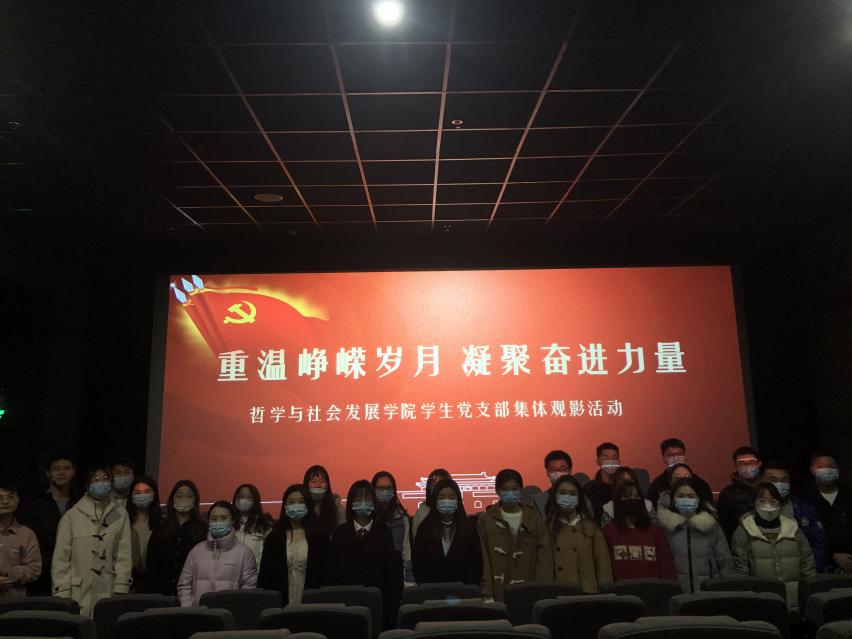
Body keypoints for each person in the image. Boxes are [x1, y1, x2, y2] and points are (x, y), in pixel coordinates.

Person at [52, 464, 132, 617]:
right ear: (87, 485)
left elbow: (124, 555)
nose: (101, 482)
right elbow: (61, 559)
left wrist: (121, 587)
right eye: (96, 479)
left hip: (109, 591)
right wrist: (62, 593)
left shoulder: (121, 515)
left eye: (105, 478)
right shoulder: (71, 516)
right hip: (77, 592)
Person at [328, 480, 402, 629]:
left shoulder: (384, 532)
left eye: (367, 498)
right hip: (346, 605)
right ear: (351, 503)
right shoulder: (340, 533)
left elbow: (392, 575)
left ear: (374, 502)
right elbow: (332, 572)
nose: (363, 502)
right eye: (358, 498)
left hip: (378, 607)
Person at [731, 482, 816, 608]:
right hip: (761, 603)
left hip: (796, 601)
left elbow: (808, 566)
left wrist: (810, 597)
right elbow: (741, 574)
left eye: (773, 501)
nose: (768, 505)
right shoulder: (744, 532)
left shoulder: (794, 530)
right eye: (761, 501)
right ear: (753, 503)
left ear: (780, 503)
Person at [478, 469, 553, 602]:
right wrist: (487, 591)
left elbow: (544, 557)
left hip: (529, 588)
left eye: (514, 489)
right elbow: (484, 559)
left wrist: (541, 588)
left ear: (521, 490)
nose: (510, 493)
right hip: (498, 589)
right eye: (505, 489)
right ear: (497, 491)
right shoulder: (486, 520)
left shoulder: (534, 518)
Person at [18, 453, 79, 595]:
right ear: (48, 473)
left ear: (74, 472)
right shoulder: (34, 504)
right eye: (56, 469)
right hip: (42, 575)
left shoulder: (81, 502)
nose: (62, 472)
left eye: (66, 468)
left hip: (75, 571)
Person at [656, 478, 732, 593]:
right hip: (675, 594)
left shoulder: (712, 527)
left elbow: (725, 562)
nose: (686, 499)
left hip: (709, 593)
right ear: (673, 499)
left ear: (698, 499)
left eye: (690, 496)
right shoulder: (664, 528)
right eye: (680, 496)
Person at [259, 484, 329, 605]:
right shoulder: (274, 538)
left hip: (313, 603)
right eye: (291, 502)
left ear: (308, 505)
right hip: (280, 603)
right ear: (285, 506)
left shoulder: (320, 537)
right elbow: (265, 576)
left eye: (301, 502)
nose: (296, 505)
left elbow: (326, 574)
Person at [177, 500, 257, 607]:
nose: (218, 522)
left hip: (230, 615)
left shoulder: (245, 553)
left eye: (224, 518)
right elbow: (184, 585)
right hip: (198, 613)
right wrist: (188, 608)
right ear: (208, 521)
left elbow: (249, 588)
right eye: (214, 519)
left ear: (233, 520)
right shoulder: (196, 551)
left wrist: (235, 612)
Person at [545, 474, 612, 593]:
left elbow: (603, 567)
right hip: (558, 593)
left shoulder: (591, 528)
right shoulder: (547, 528)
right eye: (562, 493)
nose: (567, 497)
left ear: (579, 497)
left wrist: (606, 593)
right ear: (555, 496)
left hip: (588, 593)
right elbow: (544, 568)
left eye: (572, 494)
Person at [602, 480, 676, 581]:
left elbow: (666, 566)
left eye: (636, 496)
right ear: (618, 501)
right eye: (627, 496)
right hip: (619, 589)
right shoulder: (608, 531)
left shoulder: (654, 532)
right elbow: (603, 568)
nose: (633, 499)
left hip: (652, 588)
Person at [761, 460, 828, 572]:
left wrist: (812, 569)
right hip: (766, 573)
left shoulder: (804, 509)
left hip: (802, 572)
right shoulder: (751, 510)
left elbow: (819, 541)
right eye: (773, 480)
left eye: (784, 480)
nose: (779, 484)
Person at [412, 478, 481, 585]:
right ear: (435, 501)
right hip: (431, 591)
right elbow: (418, 565)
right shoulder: (425, 529)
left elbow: (476, 564)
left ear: (458, 500)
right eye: (441, 497)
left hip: (463, 591)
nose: (446, 501)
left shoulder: (469, 528)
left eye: (451, 497)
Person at [144, 480, 207, 596]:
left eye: (189, 496)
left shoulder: (203, 529)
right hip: (162, 592)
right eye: (179, 496)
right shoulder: (161, 527)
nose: (184, 499)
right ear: (172, 499)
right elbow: (152, 562)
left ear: (195, 501)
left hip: (191, 592)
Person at [804, 453, 852, 572]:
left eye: (831, 466)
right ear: (812, 470)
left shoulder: (849, 496)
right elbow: (805, 537)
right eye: (821, 466)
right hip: (819, 567)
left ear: (838, 469)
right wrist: (833, 556)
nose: (827, 470)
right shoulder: (805, 499)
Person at [0, 481, 42, 601]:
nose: (6, 501)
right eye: (0, 498)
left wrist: (10, 575)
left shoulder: (26, 534)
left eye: (11, 497)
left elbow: (34, 569)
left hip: (15, 603)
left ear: (18, 500)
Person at [372, 471, 413, 585]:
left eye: (388, 488)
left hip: (396, 578)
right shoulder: (367, 517)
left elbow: (407, 553)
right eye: (380, 488)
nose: (385, 491)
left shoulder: (402, 518)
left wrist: (409, 582)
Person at [646, 439, 715, 506]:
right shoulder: (657, 485)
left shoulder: (700, 484)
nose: (676, 459)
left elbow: (708, 506)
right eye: (671, 455)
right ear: (664, 458)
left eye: (680, 455)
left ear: (685, 456)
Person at [718, 446, 762, 542]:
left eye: (751, 462)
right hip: (741, 543)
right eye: (741, 463)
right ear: (736, 466)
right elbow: (725, 527)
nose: (747, 466)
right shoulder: (727, 494)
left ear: (759, 463)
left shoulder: (768, 489)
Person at [126, 476, 162, 592]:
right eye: (137, 492)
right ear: (131, 496)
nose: (142, 496)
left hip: (154, 583)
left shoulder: (162, 522)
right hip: (128, 582)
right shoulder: (124, 521)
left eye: (147, 492)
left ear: (154, 494)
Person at [232, 483, 273, 566]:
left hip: (255, 571)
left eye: (249, 497)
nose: (244, 500)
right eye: (241, 496)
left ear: (255, 501)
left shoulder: (264, 524)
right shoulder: (228, 523)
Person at [582, 443, 623, 522]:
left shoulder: (626, 486)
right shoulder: (588, 488)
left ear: (619, 461)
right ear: (598, 461)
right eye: (606, 458)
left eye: (614, 458)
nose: (611, 461)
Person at [303, 465, 346, 536]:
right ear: (306, 485)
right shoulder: (301, 508)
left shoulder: (338, 509)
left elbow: (343, 534)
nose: (318, 485)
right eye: (313, 481)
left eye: (322, 481)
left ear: (328, 485)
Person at [411, 468, 451, 537]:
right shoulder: (422, 511)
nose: (438, 489)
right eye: (435, 486)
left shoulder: (457, 508)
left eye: (442, 485)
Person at [533, 450, 573, 517]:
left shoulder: (581, 499)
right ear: (547, 473)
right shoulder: (538, 501)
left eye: (562, 469)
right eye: (553, 469)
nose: (558, 472)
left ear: (570, 471)